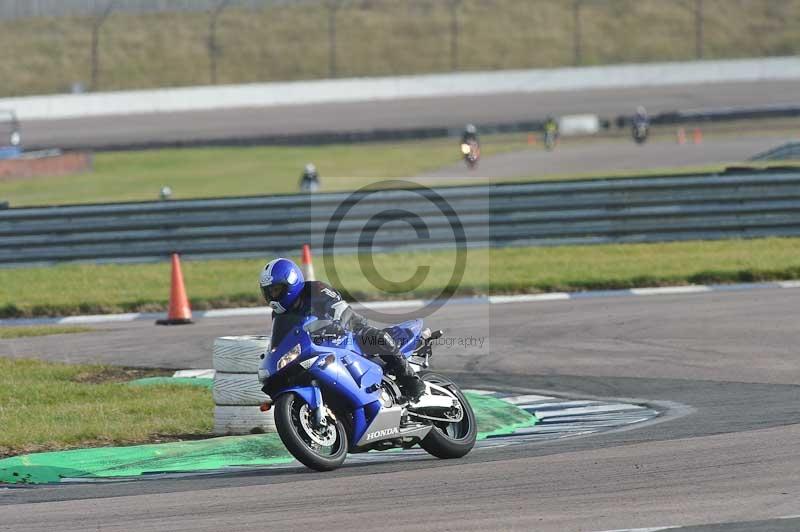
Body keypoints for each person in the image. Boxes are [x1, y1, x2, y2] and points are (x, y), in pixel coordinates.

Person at [259, 257, 426, 401]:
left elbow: (340, 310)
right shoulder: (278, 316)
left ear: (291, 282)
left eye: (276, 290)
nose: (272, 296)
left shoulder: (316, 289)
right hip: (318, 347)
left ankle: (411, 380)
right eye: (268, 292)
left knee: (376, 337)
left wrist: (337, 323)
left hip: (347, 331)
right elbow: (282, 341)